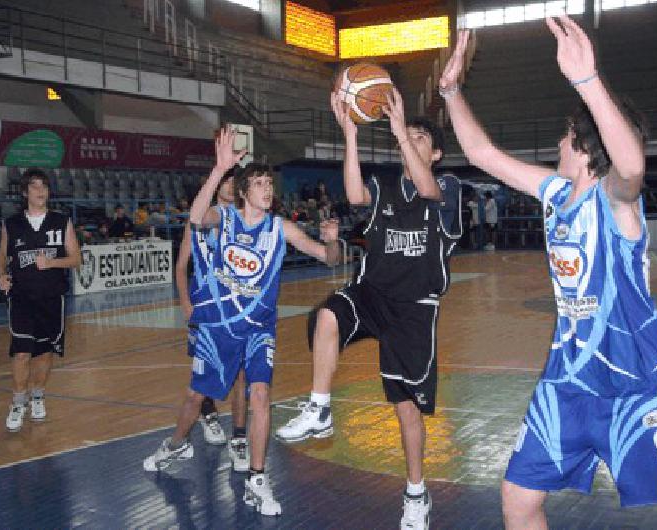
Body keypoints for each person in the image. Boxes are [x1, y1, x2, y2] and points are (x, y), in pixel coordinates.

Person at [439, 19, 657, 528]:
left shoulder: (616, 201)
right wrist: (451, 92)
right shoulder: (555, 194)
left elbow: (630, 167)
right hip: (566, 382)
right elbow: (482, 154)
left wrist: (587, 81)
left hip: (637, 381)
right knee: (518, 498)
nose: (557, 145)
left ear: (583, 147)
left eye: (566, 136)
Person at [275, 88, 462, 530]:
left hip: (414, 310)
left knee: (406, 409)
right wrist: (350, 132)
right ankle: (319, 407)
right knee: (326, 315)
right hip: (371, 293)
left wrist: (399, 128)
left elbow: (429, 188)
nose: (409, 141)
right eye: (406, 136)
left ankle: (416, 493)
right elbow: (355, 192)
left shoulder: (449, 189)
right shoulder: (383, 188)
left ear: (434, 153)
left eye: (420, 138)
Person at [143, 126, 342, 517]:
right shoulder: (225, 218)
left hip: (257, 329)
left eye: (271, 183)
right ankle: (176, 444)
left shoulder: (280, 228)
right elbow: (197, 217)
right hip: (216, 327)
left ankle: (256, 476)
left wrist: (332, 239)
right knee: (195, 397)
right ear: (245, 189)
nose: (268, 189)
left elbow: (329, 258)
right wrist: (218, 170)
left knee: (261, 395)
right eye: (261, 183)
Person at [174, 168, 250, 471]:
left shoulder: (247, 221)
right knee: (204, 373)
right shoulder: (199, 220)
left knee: (241, 376)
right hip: (204, 307)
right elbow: (181, 266)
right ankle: (208, 414)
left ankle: (240, 438)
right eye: (225, 181)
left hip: (236, 309)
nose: (230, 186)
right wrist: (185, 305)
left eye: (235, 182)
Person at [0, 168, 81, 432]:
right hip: (21, 296)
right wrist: (1, 274)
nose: (40, 190)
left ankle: (38, 397)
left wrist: (53, 262)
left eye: (43, 186)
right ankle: (18, 402)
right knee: (22, 352)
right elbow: (1, 254)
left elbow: (76, 259)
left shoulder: (61, 221)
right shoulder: (12, 223)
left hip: (51, 296)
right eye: (34, 186)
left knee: (44, 353)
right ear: (25, 192)